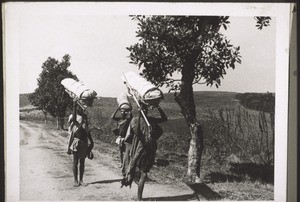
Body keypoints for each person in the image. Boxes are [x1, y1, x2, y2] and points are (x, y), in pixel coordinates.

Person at [121, 102, 167, 201]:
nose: (144, 110)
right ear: (138, 109)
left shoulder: (150, 120)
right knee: (144, 173)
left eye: (146, 109)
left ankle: (138, 194)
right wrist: (140, 117)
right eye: (142, 109)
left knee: (143, 173)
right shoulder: (134, 120)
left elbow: (164, 118)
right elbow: (137, 133)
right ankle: (139, 198)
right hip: (140, 149)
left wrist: (158, 107)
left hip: (150, 149)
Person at [67, 99, 94, 187]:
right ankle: (75, 180)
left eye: (80, 107)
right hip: (76, 141)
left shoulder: (85, 117)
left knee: (82, 161)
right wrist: (74, 104)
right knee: (75, 161)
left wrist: (91, 140)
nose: (80, 109)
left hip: (84, 141)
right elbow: (74, 119)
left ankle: (81, 180)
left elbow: (87, 129)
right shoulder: (72, 116)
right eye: (78, 107)